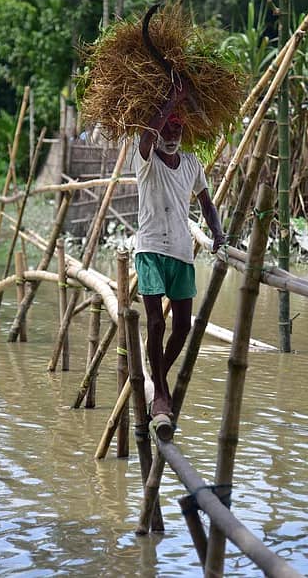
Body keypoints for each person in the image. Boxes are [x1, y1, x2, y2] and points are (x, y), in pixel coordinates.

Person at [134, 80, 225, 440]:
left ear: (184, 132)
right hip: (150, 250)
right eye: (166, 128)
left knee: (183, 327)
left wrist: (217, 233)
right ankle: (161, 394)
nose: (171, 135)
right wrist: (174, 97)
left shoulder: (191, 163)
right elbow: (147, 135)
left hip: (181, 253)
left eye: (177, 128)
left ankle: (159, 379)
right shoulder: (145, 159)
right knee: (156, 323)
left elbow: (206, 203)